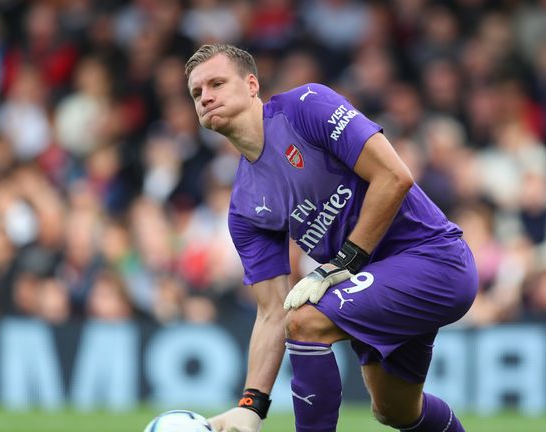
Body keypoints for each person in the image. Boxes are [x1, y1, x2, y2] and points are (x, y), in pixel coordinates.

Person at [185, 44, 477, 432]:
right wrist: (251, 405)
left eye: (217, 83)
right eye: (196, 93)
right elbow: (271, 311)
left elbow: (395, 177)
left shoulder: (306, 106)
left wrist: (346, 262)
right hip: (371, 284)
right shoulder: (244, 207)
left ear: (252, 84)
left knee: (305, 322)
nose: (206, 97)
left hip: (435, 261)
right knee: (395, 410)